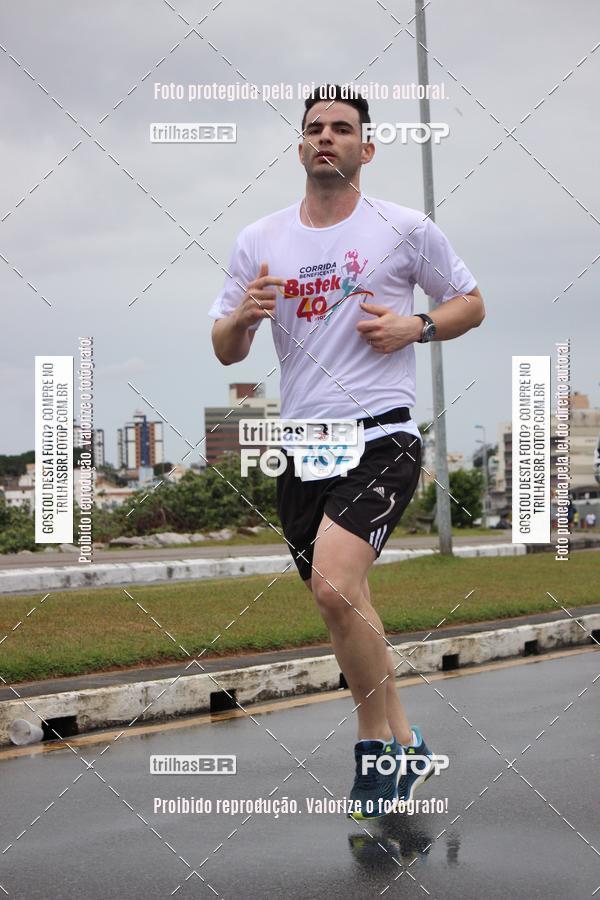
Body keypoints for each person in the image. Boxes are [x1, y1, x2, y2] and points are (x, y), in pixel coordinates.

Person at [209, 84, 485, 819]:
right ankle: (407, 741)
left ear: (367, 146)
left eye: (341, 128)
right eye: (313, 128)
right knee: (347, 604)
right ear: (300, 146)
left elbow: (471, 302)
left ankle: (375, 751)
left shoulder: (405, 227)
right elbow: (226, 351)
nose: (325, 137)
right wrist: (243, 317)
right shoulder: (260, 239)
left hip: (382, 435)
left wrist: (415, 328)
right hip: (304, 446)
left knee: (335, 588)